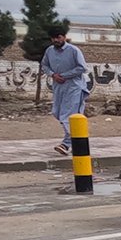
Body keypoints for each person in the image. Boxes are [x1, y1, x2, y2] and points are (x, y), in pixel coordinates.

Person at [41, 25, 90, 155]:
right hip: (58, 87)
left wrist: (65, 75)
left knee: (68, 115)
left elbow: (82, 67)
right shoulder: (49, 51)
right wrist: (53, 75)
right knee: (57, 112)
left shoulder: (74, 50)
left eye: (58, 37)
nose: (56, 40)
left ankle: (66, 144)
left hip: (74, 87)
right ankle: (76, 140)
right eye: (53, 38)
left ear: (64, 37)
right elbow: (44, 65)